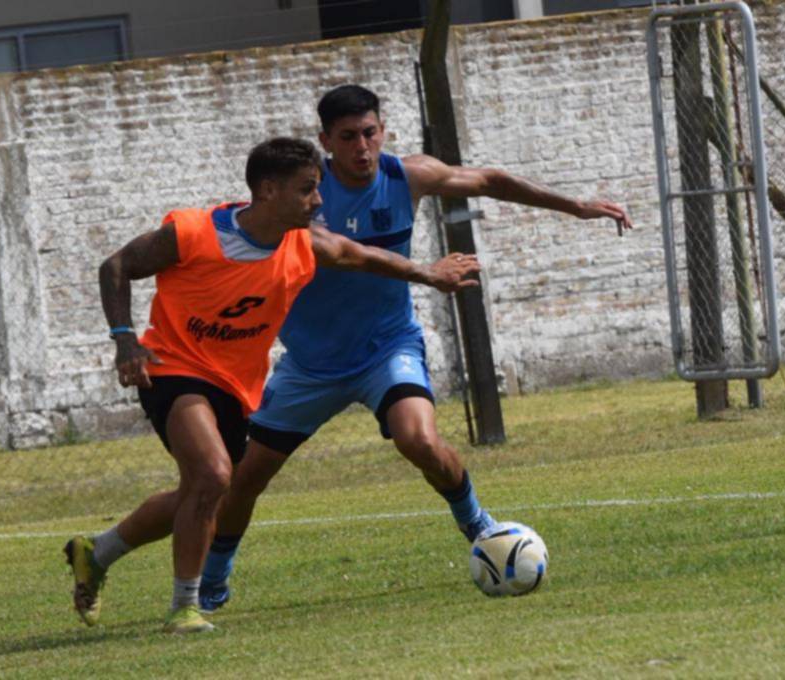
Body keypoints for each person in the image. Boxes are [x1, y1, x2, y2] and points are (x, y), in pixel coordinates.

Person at [196, 85, 634, 613]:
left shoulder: (408, 176)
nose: (362, 146)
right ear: (325, 142)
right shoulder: (303, 197)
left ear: (383, 131)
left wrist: (577, 206)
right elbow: (276, 247)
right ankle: (213, 581)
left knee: (419, 439)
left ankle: (479, 526)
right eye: (348, 137)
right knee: (246, 479)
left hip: (387, 348)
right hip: (311, 366)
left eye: (370, 133)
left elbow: (490, 180)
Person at [64, 136, 480, 634]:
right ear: (267, 190)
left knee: (205, 490)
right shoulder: (194, 233)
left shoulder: (303, 245)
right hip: (172, 367)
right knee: (214, 474)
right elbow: (115, 266)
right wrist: (124, 339)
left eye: (317, 188)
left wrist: (429, 274)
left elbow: (361, 255)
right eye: (306, 190)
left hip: (235, 385)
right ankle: (186, 608)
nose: (318, 200)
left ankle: (98, 551)